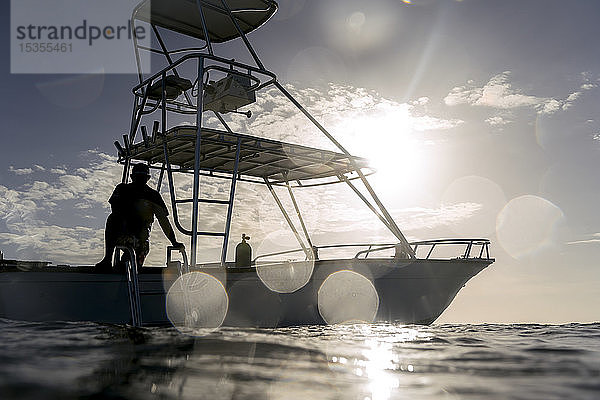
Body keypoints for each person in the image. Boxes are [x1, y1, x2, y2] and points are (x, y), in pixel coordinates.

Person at [95, 163, 183, 272]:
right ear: (132, 177)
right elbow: (115, 210)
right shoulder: (122, 189)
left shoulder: (153, 196)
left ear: (148, 178)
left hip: (141, 242)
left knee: (131, 267)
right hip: (122, 234)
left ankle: (126, 262)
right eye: (138, 177)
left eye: (142, 177)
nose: (139, 180)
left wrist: (174, 242)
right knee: (113, 218)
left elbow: (164, 222)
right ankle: (107, 259)